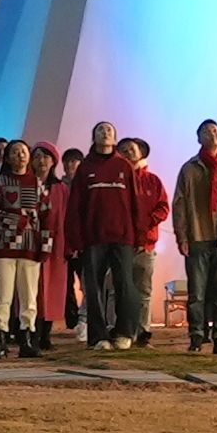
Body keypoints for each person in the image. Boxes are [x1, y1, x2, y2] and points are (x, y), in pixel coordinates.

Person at [173, 119, 217, 354]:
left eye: (215, 130)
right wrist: (182, 235)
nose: (212, 134)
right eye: (206, 131)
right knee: (197, 292)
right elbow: (180, 203)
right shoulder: (190, 169)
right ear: (199, 138)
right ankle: (196, 335)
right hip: (198, 235)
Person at [0, 139, 51, 358]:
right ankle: (1, 338)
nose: (20, 156)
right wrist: (13, 220)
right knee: (2, 295)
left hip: (30, 247)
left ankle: (27, 338)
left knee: (29, 296)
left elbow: (46, 216)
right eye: (15, 152)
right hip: (3, 246)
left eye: (23, 152)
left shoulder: (37, 184)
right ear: (8, 157)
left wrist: (46, 246)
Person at [67, 121, 130, 347]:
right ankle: (98, 336)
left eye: (109, 130)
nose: (105, 133)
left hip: (122, 237)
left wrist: (138, 234)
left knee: (125, 285)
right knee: (93, 289)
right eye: (100, 130)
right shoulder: (85, 168)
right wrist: (76, 238)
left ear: (115, 138)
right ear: (93, 137)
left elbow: (134, 202)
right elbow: (75, 205)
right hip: (93, 238)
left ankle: (123, 332)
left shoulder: (124, 166)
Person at [117, 138, 169, 349]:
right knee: (118, 290)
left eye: (132, 149)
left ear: (141, 153)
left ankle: (142, 332)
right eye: (123, 150)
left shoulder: (152, 181)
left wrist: (147, 223)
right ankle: (118, 330)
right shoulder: (117, 181)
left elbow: (163, 208)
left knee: (143, 292)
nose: (128, 153)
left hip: (146, 246)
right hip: (120, 245)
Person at [34, 142, 72, 352]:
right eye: (37, 156)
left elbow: (67, 217)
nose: (41, 161)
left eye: (46, 157)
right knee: (31, 290)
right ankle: (31, 332)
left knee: (52, 290)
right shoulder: (27, 185)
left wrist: (68, 245)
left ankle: (46, 334)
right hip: (30, 244)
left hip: (56, 245)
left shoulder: (61, 189)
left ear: (53, 161)